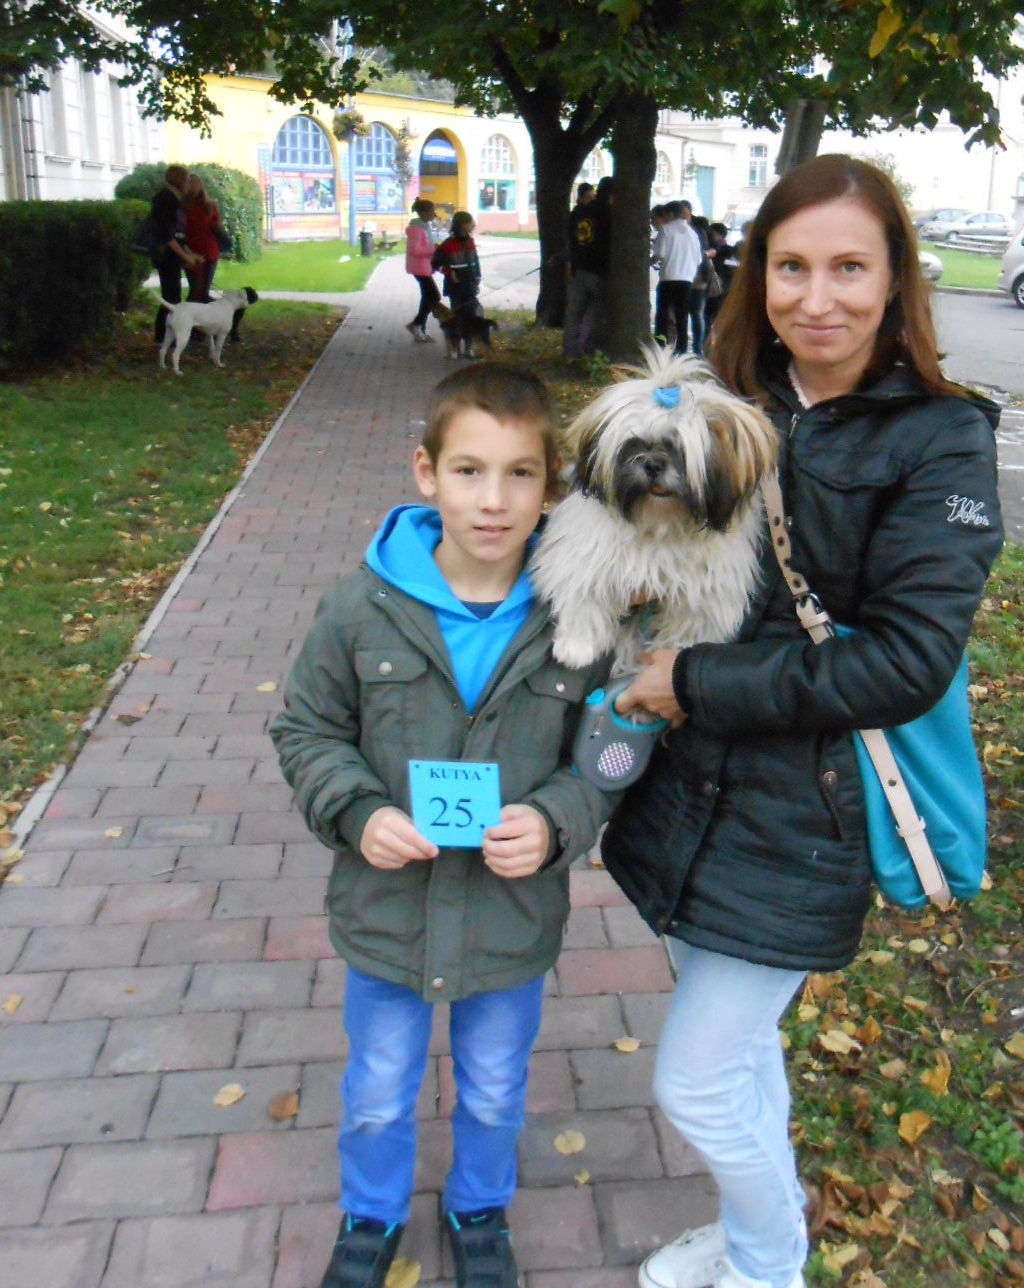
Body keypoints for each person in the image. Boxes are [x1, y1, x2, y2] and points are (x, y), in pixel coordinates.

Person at [602, 154, 1004, 1288]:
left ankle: (769, 1265)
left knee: (694, 1081)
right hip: (686, 794)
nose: (816, 298)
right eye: (790, 267)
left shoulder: (943, 438)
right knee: (738, 1056)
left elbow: (908, 662)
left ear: (896, 280)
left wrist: (696, 682)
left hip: (808, 819)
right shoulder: (721, 399)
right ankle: (755, 1241)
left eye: (848, 268)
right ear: (757, 274)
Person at [272, 364, 611, 1288]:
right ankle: (371, 1212)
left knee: (495, 1088)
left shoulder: (579, 621)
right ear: (426, 473)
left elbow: (608, 756)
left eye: (520, 474)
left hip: (509, 916)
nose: (493, 501)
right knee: (378, 1091)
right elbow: (305, 727)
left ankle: (478, 1207)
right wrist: (358, 811)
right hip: (388, 910)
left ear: (551, 486)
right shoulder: (360, 608)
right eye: (468, 471)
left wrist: (556, 820)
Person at [149, 165, 202, 345]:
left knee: (174, 296)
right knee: (170, 298)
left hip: (173, 256)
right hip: (166, 256)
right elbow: (167, 235)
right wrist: (185, 256)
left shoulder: (175, 199)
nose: (188, 184)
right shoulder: (164, 199)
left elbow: (179, 235)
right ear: (179, 180)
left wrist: (190, 253)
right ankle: (161, 338)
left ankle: (168, 338)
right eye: (186, 180)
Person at [562, 175, 612, 360]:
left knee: (574, 313)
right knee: (597, 313)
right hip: (599, 270)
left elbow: (570, 237)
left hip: (578, 268)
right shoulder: (609, 214)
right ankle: (592, 351)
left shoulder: (580, 212)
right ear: (611, 194)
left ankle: (570, 352)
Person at [652, 201, 703, 354]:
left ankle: (661, 346)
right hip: (686, 280)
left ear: (670, 214)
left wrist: (650, 261)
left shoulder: (666, 230)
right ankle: (682, 349)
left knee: (663, 315)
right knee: (682, 316)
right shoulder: (693, 234)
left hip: (668, 278)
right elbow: (699, 259)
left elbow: (659, 254)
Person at [433, 211, 485, 357]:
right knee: (457, 318)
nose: (473, 225)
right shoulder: (448, 244)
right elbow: (435, 264)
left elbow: (475, 260)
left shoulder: (470, 242)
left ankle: (468, 348)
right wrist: (448, 271)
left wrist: (478, 275)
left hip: (470, 285)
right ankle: (455, 348)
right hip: (455, 287)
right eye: (470, 222)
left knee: (471, 316)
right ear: (462, 224)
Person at [182, 173, 226, 304]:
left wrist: (218, 227)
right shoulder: (182, 205)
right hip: (191, 252)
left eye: (196, 182)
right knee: (195, 291)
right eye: (190, 182)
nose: (193, 185)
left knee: (204, 292)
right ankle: (188, 314)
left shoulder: (209, 205)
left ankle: (203, 315)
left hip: (210, 251)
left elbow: (219, 225)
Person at [404, 197, 442, 342]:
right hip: (419, 268)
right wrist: (433, 249)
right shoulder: (417, 229)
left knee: (428, 297)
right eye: (432, 211)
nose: (434, 214)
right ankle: (416, 324)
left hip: (424, 267)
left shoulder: (424, 227)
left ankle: (420, 329)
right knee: (434, 297)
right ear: (424, 213)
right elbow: (414, 250)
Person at [687, 213, 713, 356]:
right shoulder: (703, 244)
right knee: (697, 315)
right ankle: (697, 347)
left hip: (694, 281)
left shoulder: (696, 240)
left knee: (695, 314)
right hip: (698, 282)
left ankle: (697, 347)